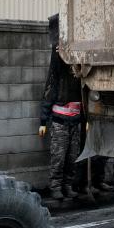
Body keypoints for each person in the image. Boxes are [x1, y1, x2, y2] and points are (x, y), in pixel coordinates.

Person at [40, 15, 83, 201]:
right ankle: (56, 186)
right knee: (59, 156)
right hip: (60, 118)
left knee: (72, 157)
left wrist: (85, 119)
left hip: (76, 117)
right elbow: (50, 87)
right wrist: (43, 120)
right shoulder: (58, 66)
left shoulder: (80, 69)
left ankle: (67, 185)